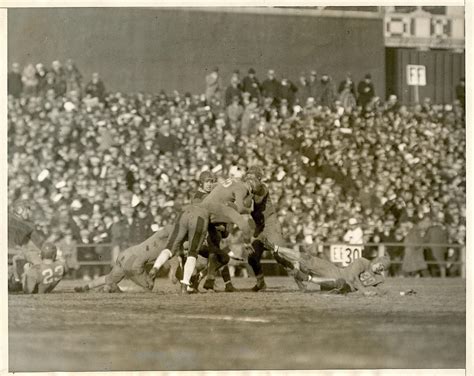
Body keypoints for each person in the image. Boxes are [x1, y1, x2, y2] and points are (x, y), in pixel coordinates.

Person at [149, 175, 258, 293]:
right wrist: (247, 242)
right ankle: (186, 285)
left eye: (211, 181)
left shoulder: (215, 193)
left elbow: (222, 186)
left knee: (171, 248)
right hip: (198, 221)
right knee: (195, 253)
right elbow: (244, 226)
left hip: (185, 214)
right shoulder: (227, 207)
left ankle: (155, 268)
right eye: (207, 181)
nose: (210, 184)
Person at [74, 227, 172, 293]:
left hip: (126, 253)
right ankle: (110, 288)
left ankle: (86, 287)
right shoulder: (169, 233)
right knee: (149, 286)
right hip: (134, 260)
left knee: (109, 278)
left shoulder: (164, 233)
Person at [271, 243, 391, 296]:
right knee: (307, 258)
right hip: (337, 272)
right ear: (376, 260)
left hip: (343, 286)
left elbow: (384, 290)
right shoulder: (363, 262)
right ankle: (277, 248)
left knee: (340, 284)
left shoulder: (379, 278)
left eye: (382, 268)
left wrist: (403, 293)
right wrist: (364, 291)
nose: (380, 268)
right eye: (380, 264)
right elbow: (352, 278)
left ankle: (305, 278)